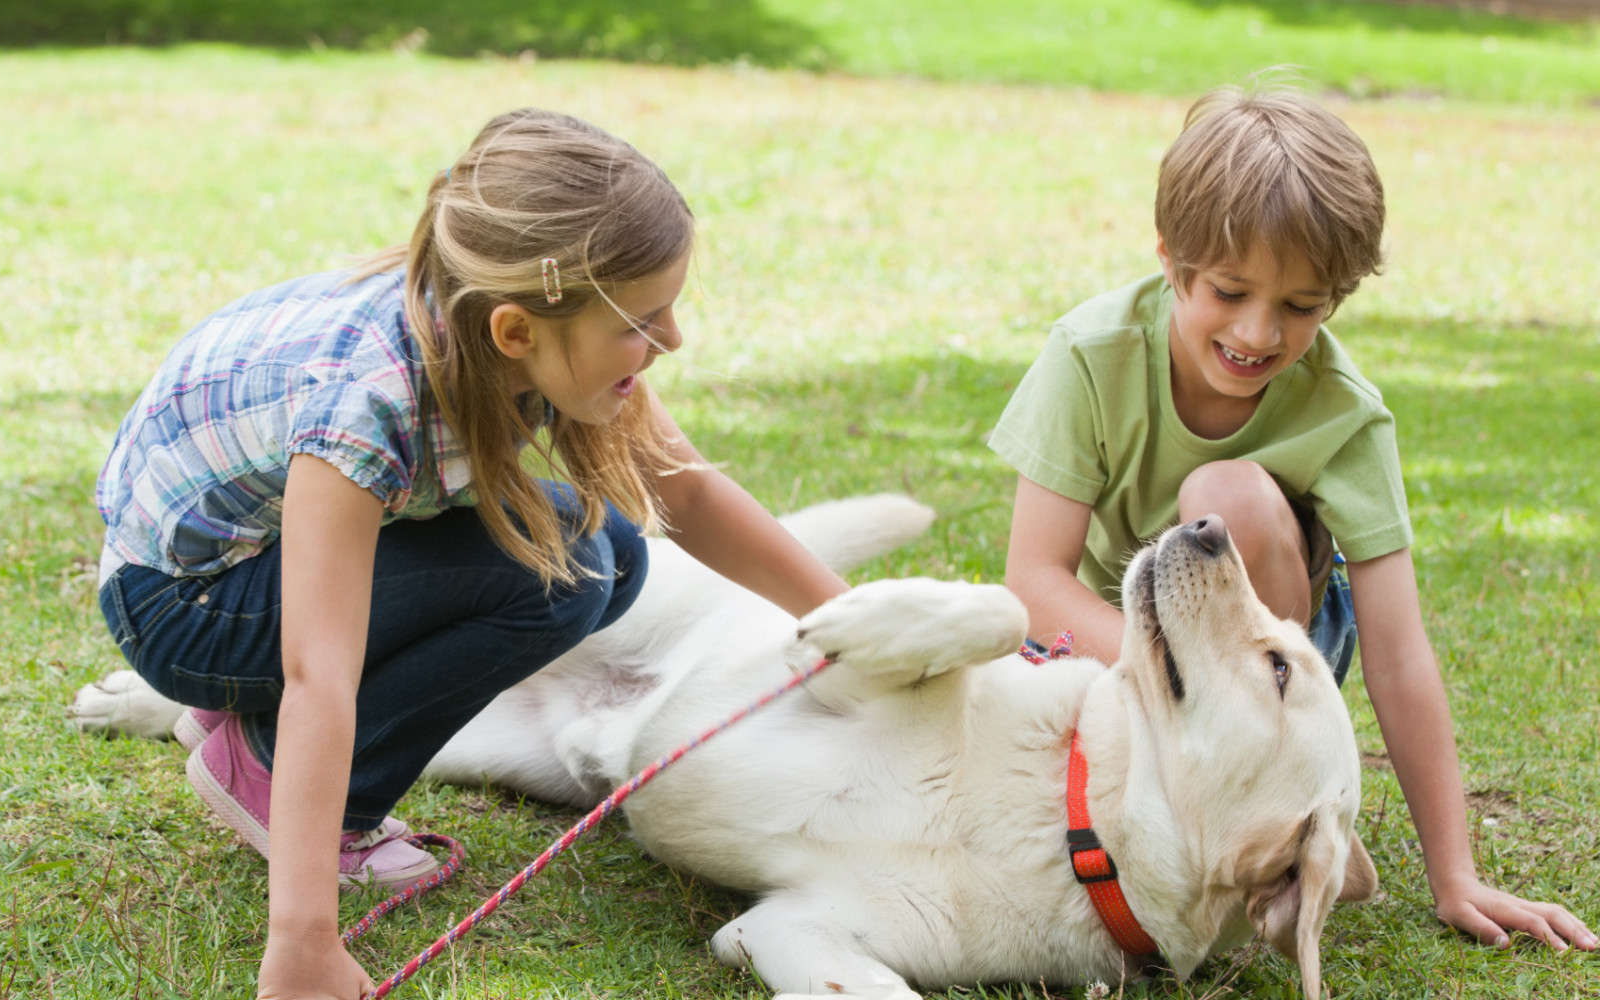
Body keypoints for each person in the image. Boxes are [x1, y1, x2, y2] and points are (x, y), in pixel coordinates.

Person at [92, 108, 851, 1000]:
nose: (673, 339)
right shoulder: (365, 408)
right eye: (642, 321)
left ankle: (241, 731)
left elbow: (682, 490)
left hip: (249, 568)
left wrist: (852, 624)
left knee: (604, 548)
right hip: (185, 608)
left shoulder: (505, 326)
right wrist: (302, 941)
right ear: (516, 332)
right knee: (569, 565)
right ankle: (261, 771)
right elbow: (319, 674)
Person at [989, 78, 1596, 954]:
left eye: (1301, 307)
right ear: (1170, 259)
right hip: (1123, 637)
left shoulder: (1344, 412)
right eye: (1230, 291)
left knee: (1224, 497)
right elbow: (1034, 578)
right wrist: (1166, 684)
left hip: (1276, 656)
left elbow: (1398, 648)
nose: (1259, 333)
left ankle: (1257, 767)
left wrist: (1453, 873)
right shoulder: (1091, 354)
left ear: (1337, 300)